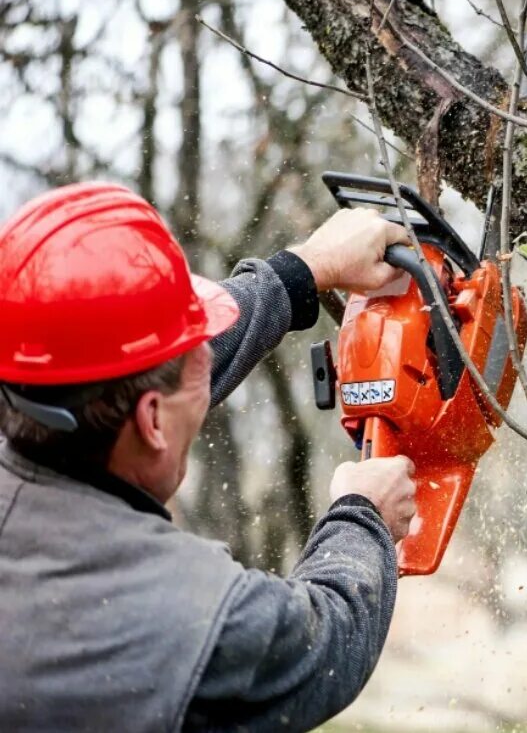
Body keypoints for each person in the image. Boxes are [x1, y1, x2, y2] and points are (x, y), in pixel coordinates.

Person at [0, 181, 417, 731]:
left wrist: (305, 270)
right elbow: (325, 641)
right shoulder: (185, 619)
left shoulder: (32, 400)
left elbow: (131, 366)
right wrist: (363, 515)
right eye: (195, 365)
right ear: (151, 421)